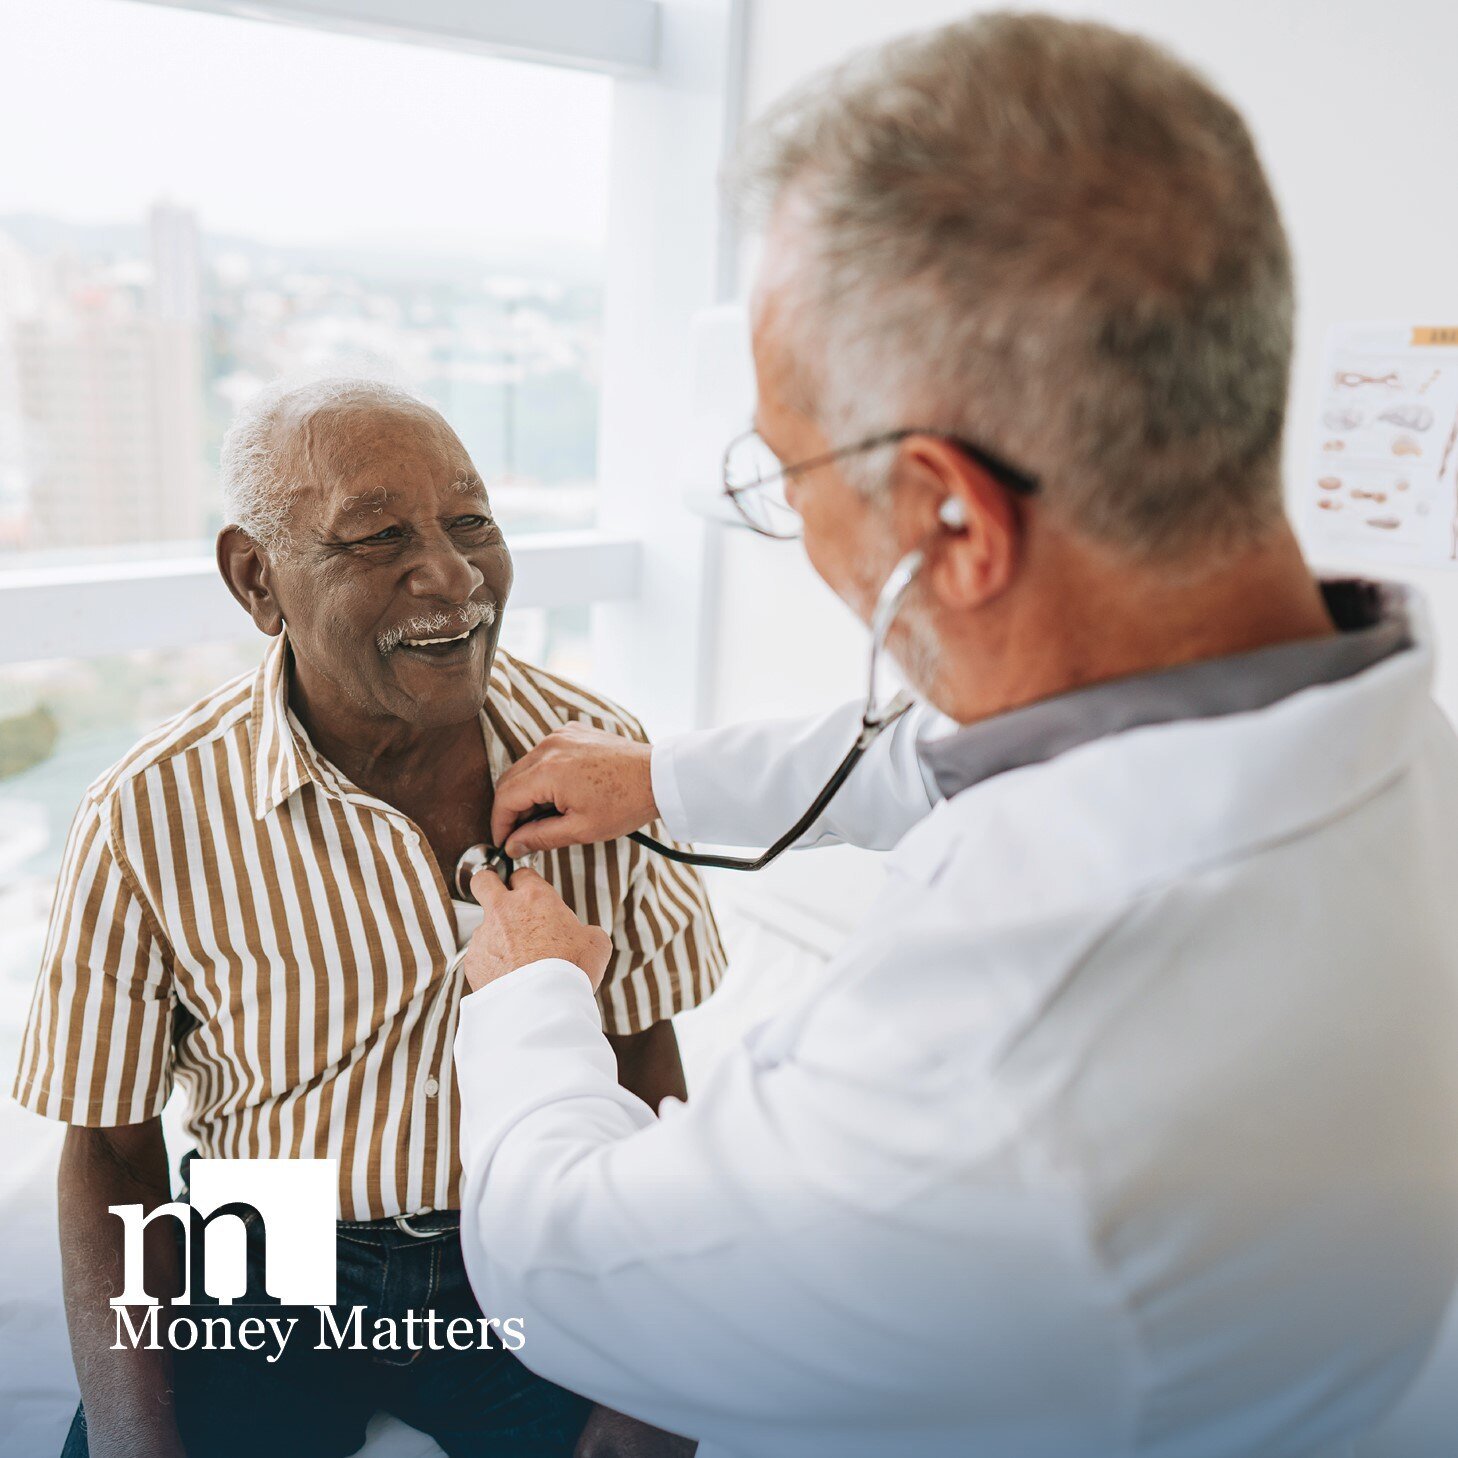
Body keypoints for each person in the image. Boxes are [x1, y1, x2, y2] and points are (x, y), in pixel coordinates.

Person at [446, 14, 1458, 1458]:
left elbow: (560, 1266)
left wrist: (531, 996)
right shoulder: (1369, 734)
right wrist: (664, 777)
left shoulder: (1010, 1060)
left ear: (952, 523)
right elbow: (954, 757)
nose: (791, 523)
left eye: (780, 476)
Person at [13, 377, 723, 1458]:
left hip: (519, 1238)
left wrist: (650, 1394)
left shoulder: (599, 753)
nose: (449, 574)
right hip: (268, 1244)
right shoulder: (149, 808)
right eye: (378, 535)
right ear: (258, 579)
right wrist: (131, 1447)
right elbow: (111, 1149)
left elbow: (644, 1063)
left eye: (470, 520)